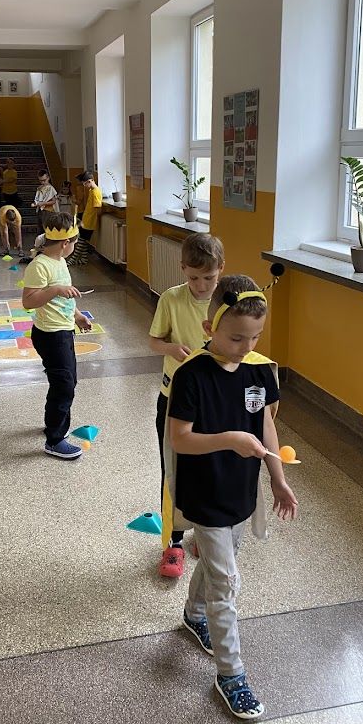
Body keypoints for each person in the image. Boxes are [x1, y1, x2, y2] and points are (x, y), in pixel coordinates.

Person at [164, 270, 298, 720]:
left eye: (255, 336)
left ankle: (193, 614)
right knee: (226, 581)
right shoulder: (192, 375)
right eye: (237, 337)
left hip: (242, 492)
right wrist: (230, 440)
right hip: (206, 494)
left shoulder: (259, 369)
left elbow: (265, 425)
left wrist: (277, 477)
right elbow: (180, 439)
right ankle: (231, 674)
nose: (246, 346)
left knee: (219, 563)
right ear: (210, 328)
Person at [149, 232, 225, 578]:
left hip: (213, 402)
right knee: (173, 471)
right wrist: (170, 348)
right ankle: (174, 542)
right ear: (182, 269)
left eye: (209, 278)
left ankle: (203, 531)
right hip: (174, 399)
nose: (201, 286)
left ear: (220, 270)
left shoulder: (225, 303)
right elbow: (154, 340)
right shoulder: (171, 299)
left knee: (209, 470)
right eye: (194, 278)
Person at [22, 212, 92, 459]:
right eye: (75, 242)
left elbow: (64, 300)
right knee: (64, 385)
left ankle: (56, 423)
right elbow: (28, 301)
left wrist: (78, 316)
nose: (74, 246)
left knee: (68, 381)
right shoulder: (39, 266)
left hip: (64, 330)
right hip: (50, 335)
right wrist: (55, 290)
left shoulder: (60, 261)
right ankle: (54, 439)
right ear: (65, 243)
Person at [67, 171, 101, 266]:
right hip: (86, 219)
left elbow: (98, 209)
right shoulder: (91, 191)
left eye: (85, 183)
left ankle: (73, 259)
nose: (84, 185)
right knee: (84, 241)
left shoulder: (96, 192)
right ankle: (84, 259)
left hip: (90, 221)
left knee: (81, 240)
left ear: (90, 181)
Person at [31, 169, 59, 233]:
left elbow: (53, 201)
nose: (42, 182)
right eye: (40, 181)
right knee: (40, 228)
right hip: (40, 211)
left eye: (44, 180)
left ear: (48, 178)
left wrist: (44, 203)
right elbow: (37, 199)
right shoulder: (39, 188)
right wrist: (35, 203)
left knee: (47, 229)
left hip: (48, 211)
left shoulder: (51, 188)